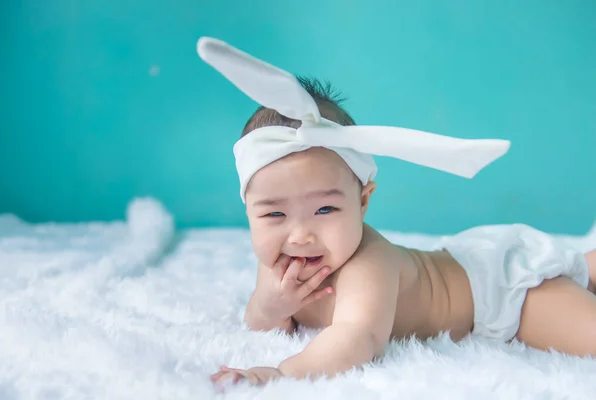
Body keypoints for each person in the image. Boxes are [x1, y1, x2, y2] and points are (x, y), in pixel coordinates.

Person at [196, 37, 596, 389]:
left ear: (363, 201)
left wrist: (283, 375)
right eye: (274, 216)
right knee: (580, 269)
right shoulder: (277, 264)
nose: (300, 235)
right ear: (249, 210)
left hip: (499, 293)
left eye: (324, 209)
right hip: (461, 260)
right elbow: (264, 323)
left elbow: (357, 337)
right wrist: (269, 306)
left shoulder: (368, 263)